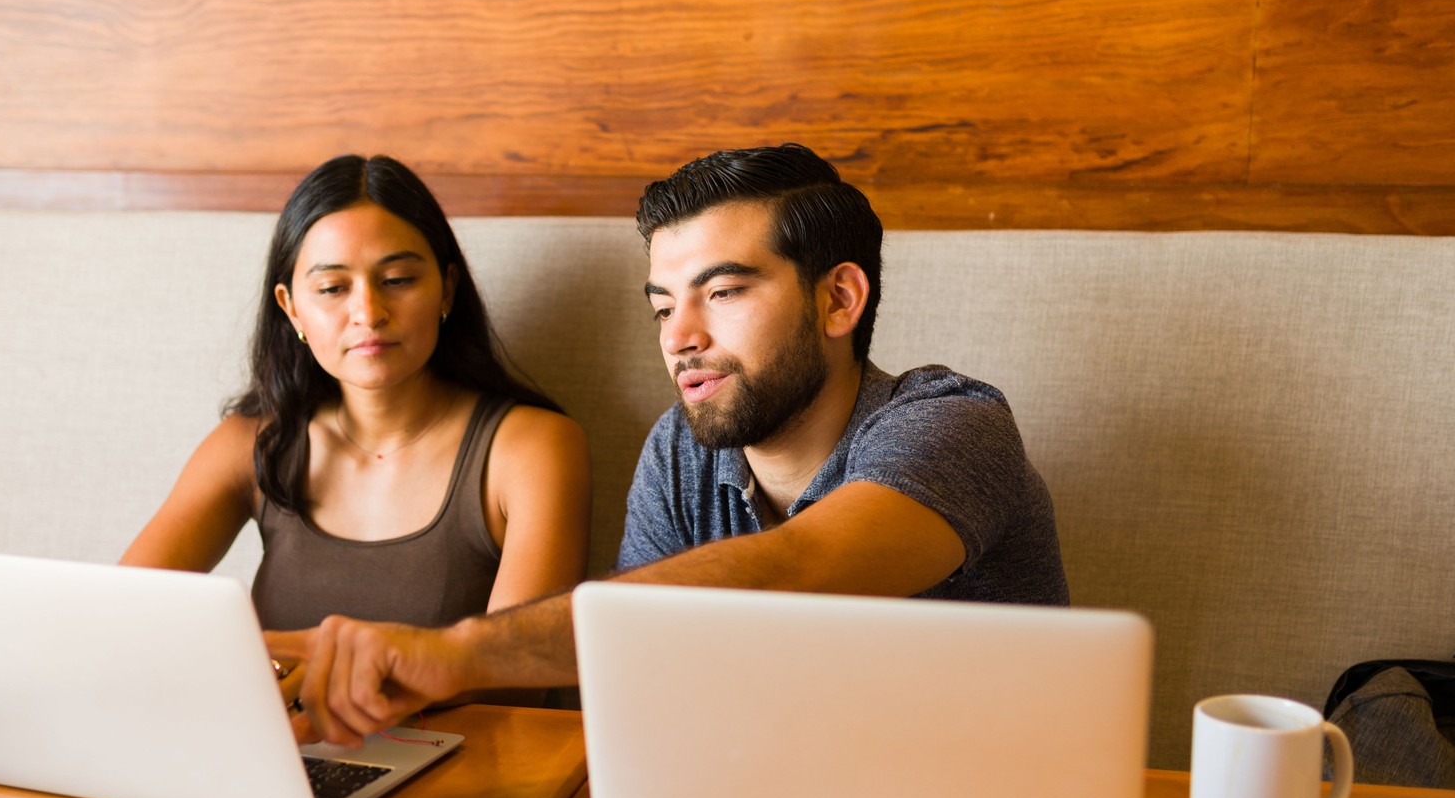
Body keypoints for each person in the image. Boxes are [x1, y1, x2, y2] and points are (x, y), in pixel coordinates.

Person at [273, 144, 1067, 746]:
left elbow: (801, 567)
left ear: (838, 299)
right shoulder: (680, 453)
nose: (681, 338)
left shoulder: (956, 424)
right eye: (662, 307)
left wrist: (452, 654)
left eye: (723, 292)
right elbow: (643, 676)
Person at [121, 154, 591, 680]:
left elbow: (521, 675)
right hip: (274, 749)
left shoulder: (531, 448)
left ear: (447, 289)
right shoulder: (251, 443)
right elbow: (120, 616)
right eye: (331, 288)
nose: (368, 312)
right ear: (292, 307)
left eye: (397, 279)